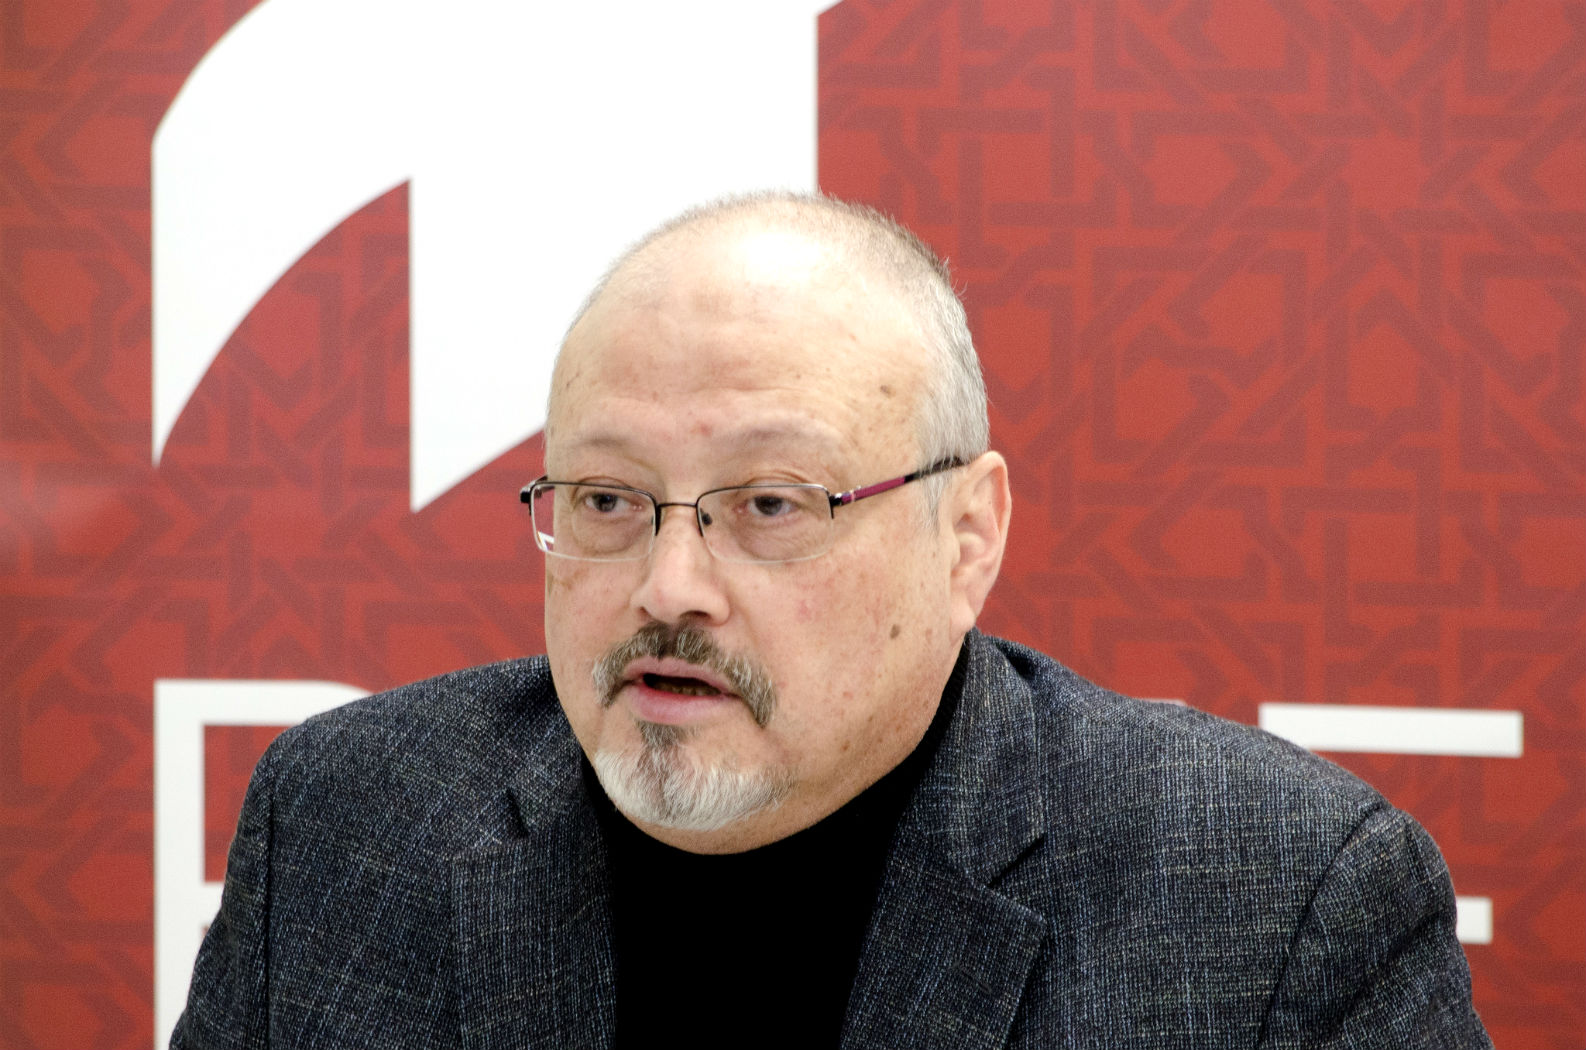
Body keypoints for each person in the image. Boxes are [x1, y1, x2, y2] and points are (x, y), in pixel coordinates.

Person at [173, 193, 1491, 1049]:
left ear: (966, 537)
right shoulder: (345, 824)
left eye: (769, 503)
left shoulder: (1276, 906)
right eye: (608, 500)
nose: (668, 586)